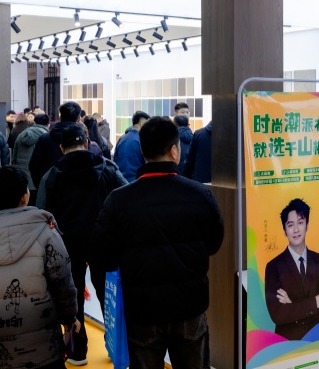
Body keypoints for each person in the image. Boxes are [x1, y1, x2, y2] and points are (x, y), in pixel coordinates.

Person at [95, 117, 223, 368]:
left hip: (142, 312)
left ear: (142, 151)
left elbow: (104, 255)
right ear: (174, 151)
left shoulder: (119, 200)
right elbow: (214, 243)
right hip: (189, 307)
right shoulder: (200, 194)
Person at [0, 166, 81, 369]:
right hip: (45, 350)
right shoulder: (45, 231)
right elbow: (63, 282)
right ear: (25, 197)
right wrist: (69, 317)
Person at [37, 123, 126, 365]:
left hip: (67, 246)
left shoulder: (52, 175)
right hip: (104, 242)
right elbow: (126, 196)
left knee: (71, 296)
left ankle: (77, 351)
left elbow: (42, 213)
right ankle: (116, 347)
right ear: (87, 143)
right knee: (108, 295)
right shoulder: (108, 168)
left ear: (61, 148)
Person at [264, 198, 319, 340]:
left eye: (300, 223)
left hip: (316, 339)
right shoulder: (273, 266)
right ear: (284, 230)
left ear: (307, 225)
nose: (296, 230)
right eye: (290, 225)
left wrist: (292, 306)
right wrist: (315, 302)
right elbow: (277, 315)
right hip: (287, 342)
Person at [29, 101, 83, 190]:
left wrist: (42, 186)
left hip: (49, 188)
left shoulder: (44, 138)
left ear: (60, 117)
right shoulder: (82, 140)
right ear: (79, 119)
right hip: (77, 190)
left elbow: (34, 165)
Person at [12, 114, 49, 205]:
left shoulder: (21, 135)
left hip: (22, 179)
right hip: (39, 181)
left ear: (34, 122)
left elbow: (14, 157)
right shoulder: (47, 137)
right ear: (48, 125)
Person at [112, 110, 150, 182]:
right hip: (137, 182)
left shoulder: (121, 139)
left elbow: (115, 160)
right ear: (142, 124)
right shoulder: (142, 140)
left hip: (120, 182)